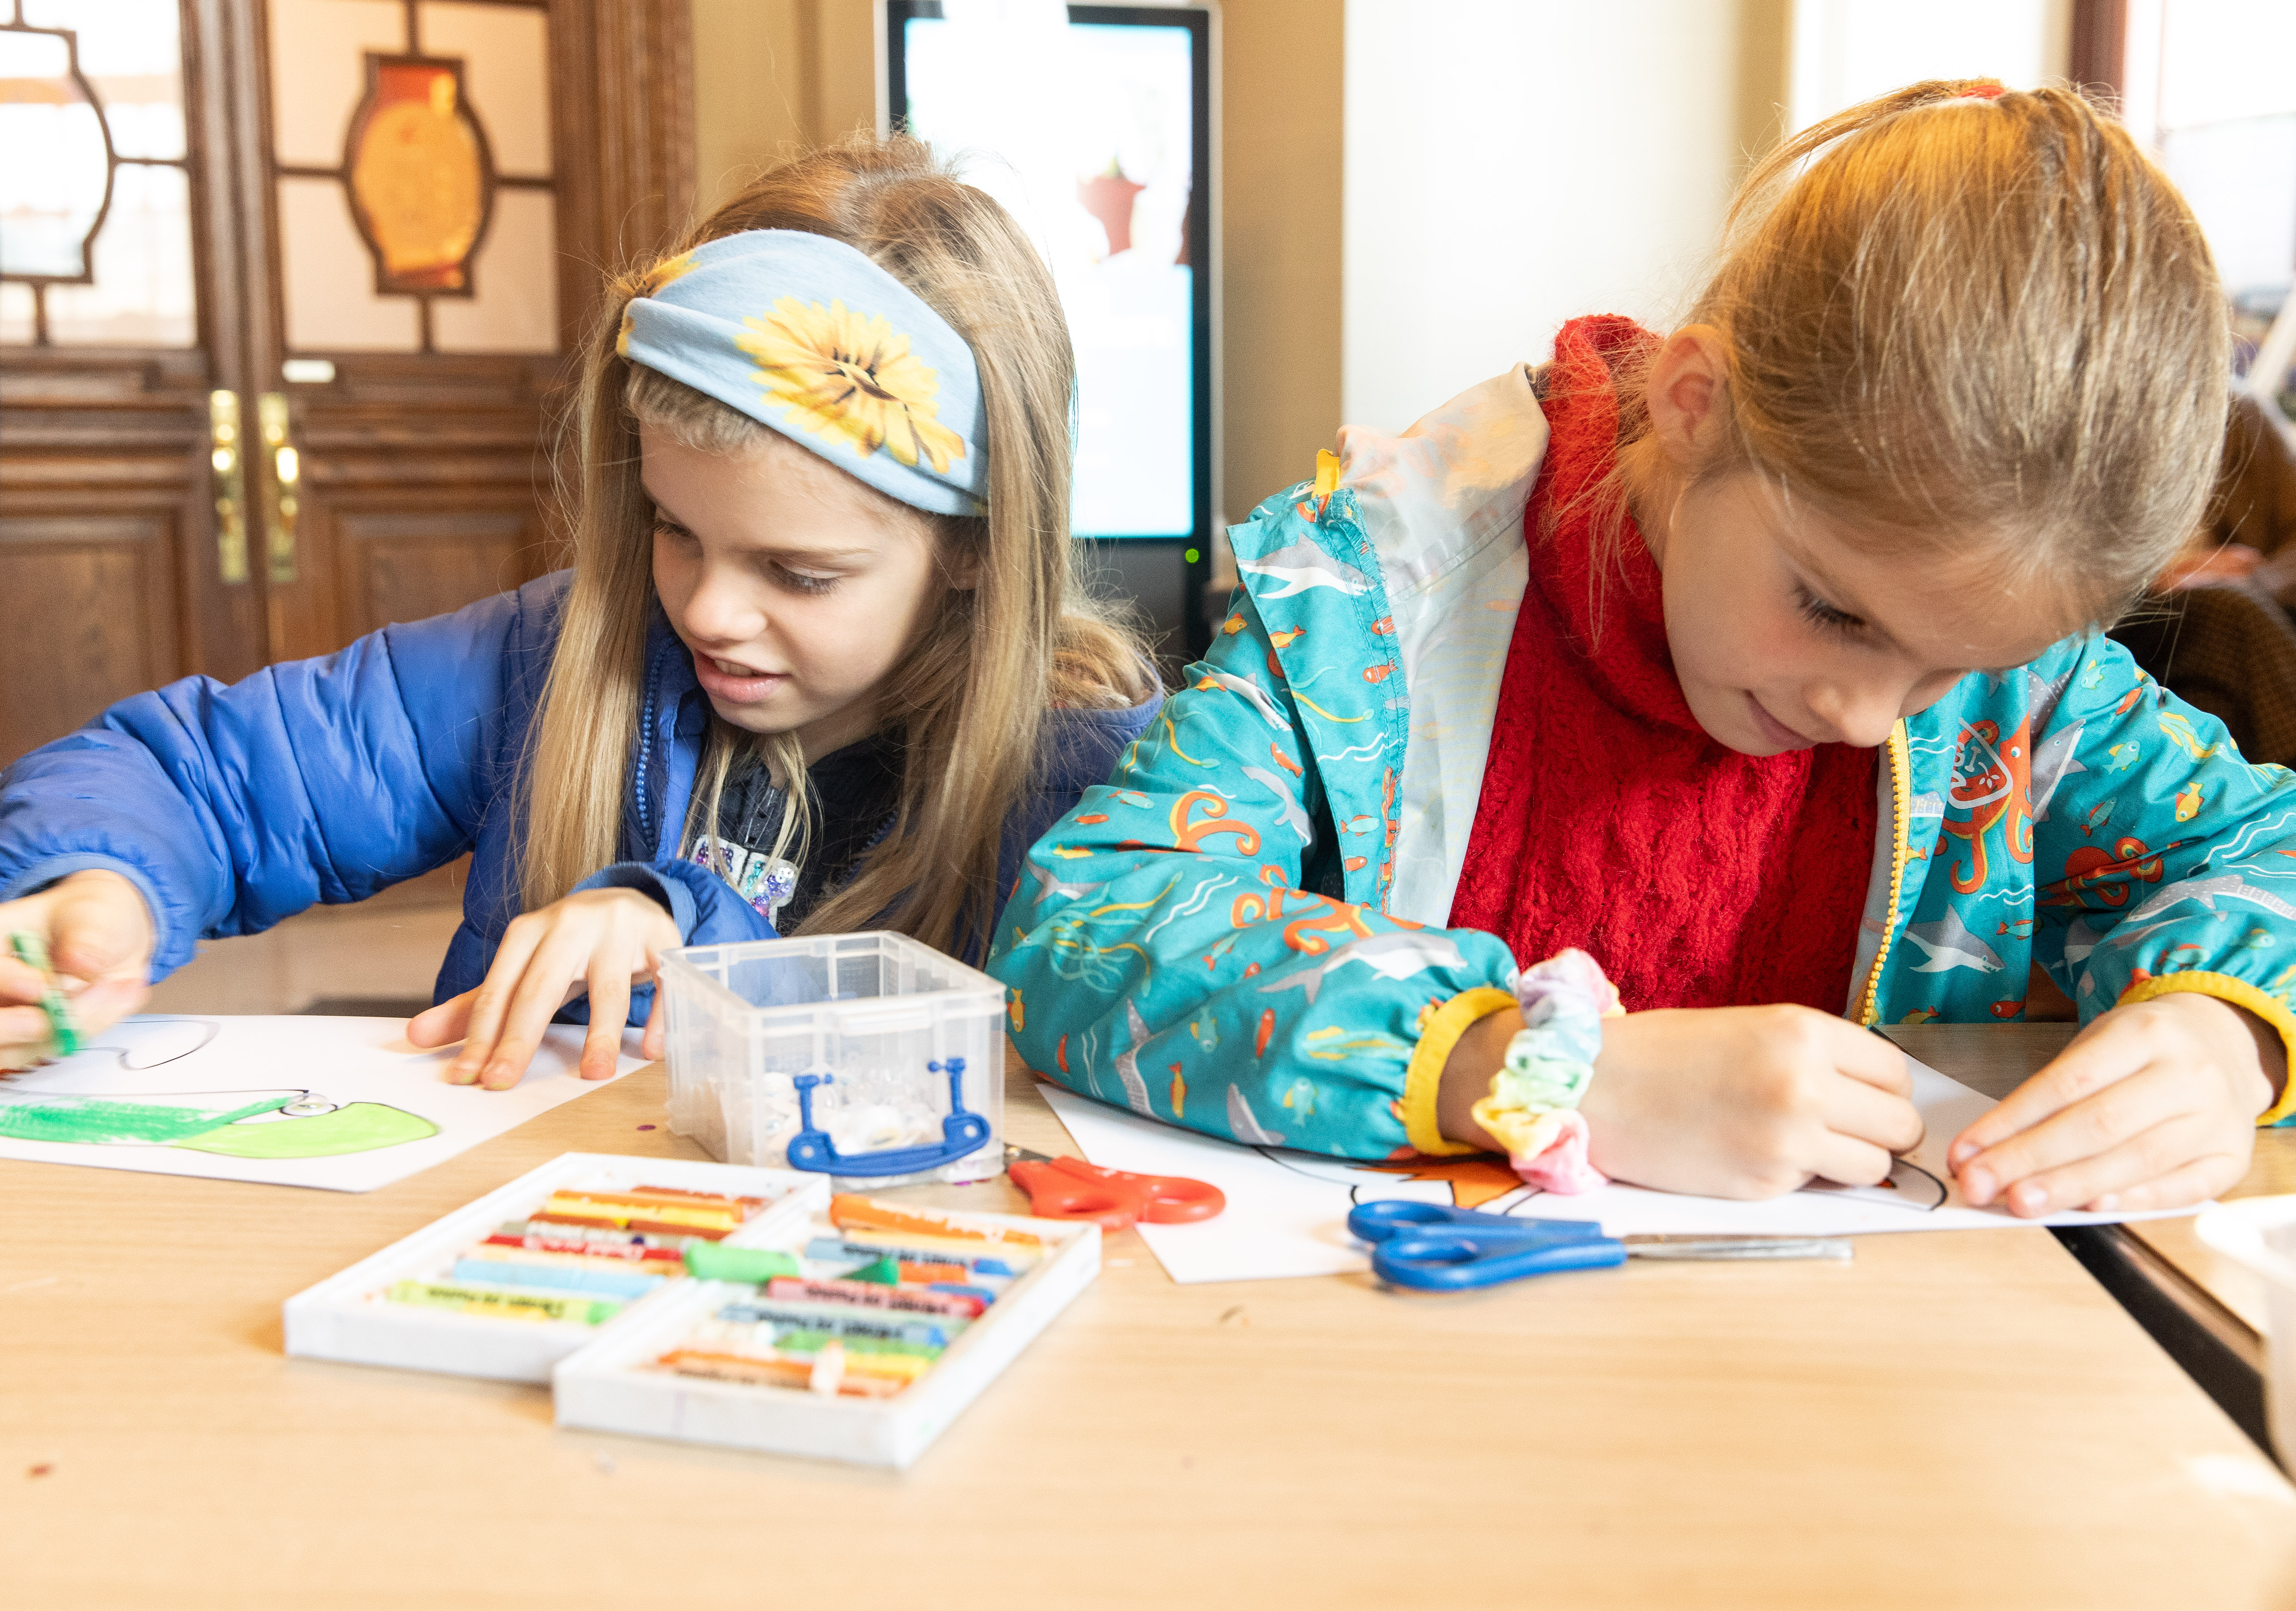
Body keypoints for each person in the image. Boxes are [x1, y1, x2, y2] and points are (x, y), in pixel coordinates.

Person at [993, 81, 2293, 1218]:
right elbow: (1089, 930)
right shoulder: (1370, 601)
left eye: (1949, 672)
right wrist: (1531, 1070)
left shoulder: (2022, 680)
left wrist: (2228, 1038)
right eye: (1836, 611)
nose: (1863, 712)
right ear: (1693, 406)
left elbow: (2261, 853)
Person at [0, 134, 1155, 1088]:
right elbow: (205, 777)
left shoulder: (1108, 787)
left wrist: (685, 937)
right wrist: (99, 884)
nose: (710, 611)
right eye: (672, 529)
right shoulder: (542, 659)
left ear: (978, 547)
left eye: (799, 574)